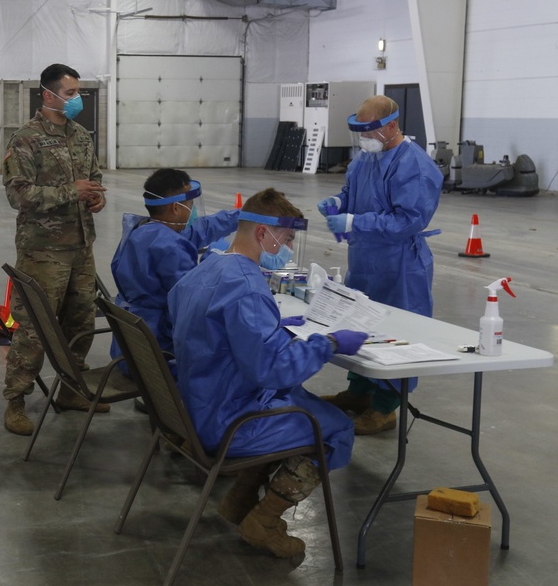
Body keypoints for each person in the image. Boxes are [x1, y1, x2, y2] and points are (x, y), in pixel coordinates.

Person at [168, 188, 367, 560]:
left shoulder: (207, 268)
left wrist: (271, 326)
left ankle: (240, 500)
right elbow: (273, 369)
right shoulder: (246, 288)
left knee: (301, 400)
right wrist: (330, 343)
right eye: (288, 239)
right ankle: (264, 522)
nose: (289, 247)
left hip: (194, 405)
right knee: (336, 428)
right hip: (228, 421)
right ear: (263, 233)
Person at [317, 95, 443, 435]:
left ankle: (386, 408)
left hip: (399, 265)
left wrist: (354, 223)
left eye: (369, 130)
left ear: (390, 126)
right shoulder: (366, 158)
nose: (363, 138)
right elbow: (351, 191)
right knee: (363, 325)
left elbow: (408, 220)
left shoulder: (414, 165)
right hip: (365, 259)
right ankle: (358, 392)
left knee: (398, 334)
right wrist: (337, 202)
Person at [1, 63, 107, 436]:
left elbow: (92, 178)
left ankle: (71, 390)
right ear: (48, 95)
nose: (77, 99)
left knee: (80, 322)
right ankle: (15, 401)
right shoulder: (26, 139)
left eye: (79, 92)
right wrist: (70, 192)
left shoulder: (80, 135)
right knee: (34, 328)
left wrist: (95, 197)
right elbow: (19, 195)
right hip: (43, 251)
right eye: (71, 93)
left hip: (81, 245)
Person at [109, 168, 240, 373]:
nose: (193, 210)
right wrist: (215, 260)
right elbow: (194, 300)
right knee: (235, 358)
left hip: (129, 344)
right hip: (157, 353)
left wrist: (243, 216)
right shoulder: (169, 247)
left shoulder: (144, 229)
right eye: (190, 205)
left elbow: (201, 229)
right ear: (176, 208)